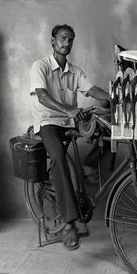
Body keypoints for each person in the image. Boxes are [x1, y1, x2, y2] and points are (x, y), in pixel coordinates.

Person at [29, 24, 109, 250]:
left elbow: (92, 90)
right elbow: (42, 97)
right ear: (53, 41)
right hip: (48, 123)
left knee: (106, 136)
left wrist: (112, 98)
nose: (66, 43)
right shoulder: (40, 66)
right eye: (62, 39)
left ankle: (87, 167)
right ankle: (68, 223)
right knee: (58, 159)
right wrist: (67, 110)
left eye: (70, 40)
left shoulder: (75, 71)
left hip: (69, 123)